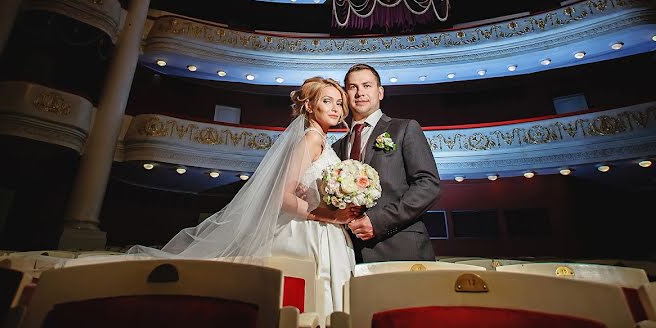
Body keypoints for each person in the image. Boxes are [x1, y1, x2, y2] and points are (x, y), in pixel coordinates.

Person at [128, 76, 359, 316]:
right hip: (311, 233)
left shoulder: (321, 141)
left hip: (323, 230)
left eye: (340, 103)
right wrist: (331, 217)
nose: (336, 108)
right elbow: (283, 197)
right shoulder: (311, 139)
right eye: (328, 101)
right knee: (311, 299)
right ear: (310, 106)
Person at [333, 63, 441, 262]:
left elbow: (428, 185)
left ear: (380, 92)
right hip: (348, 253)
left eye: (367, 85)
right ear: (345, 95)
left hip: (400, 247)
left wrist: (378, 221)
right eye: (352, 87)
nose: (359, 93)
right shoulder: (336, 148)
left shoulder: (405, 128)